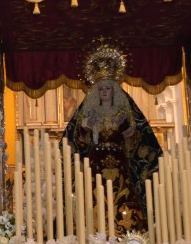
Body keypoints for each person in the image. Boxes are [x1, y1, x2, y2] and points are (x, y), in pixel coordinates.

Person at [62, 77, 162, 234]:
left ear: (113, 92)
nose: (104, 92)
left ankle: (127, 228)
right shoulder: (92, 113)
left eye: (107, 89)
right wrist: (87, 128)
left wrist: (130, 134)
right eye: (101, 89)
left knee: (123, 191)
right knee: (94, 191)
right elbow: (81, 139)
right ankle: (94, 229)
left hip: (119, 160)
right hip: (97, 160)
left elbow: (133, 137)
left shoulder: (121, 114)